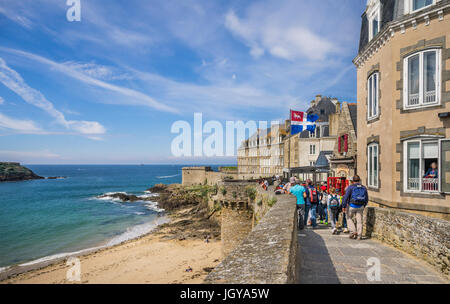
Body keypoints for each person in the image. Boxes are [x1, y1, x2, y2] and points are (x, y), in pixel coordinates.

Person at [342, 175, 368, 240]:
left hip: (352, 205)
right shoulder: (364, 187)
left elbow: (346, 197)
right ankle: (359, 235)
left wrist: (344, 206)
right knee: (359, 221)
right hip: (361, 206)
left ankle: (353, 231)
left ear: (353, 181)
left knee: (348, 218)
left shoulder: (350, 187)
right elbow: (367, 198)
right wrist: (363, 205)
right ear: (359, 180)